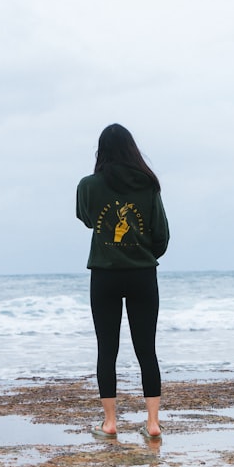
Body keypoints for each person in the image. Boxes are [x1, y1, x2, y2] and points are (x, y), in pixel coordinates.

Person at [75, 123, 170, 440]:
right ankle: (153, 424)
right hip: (143, 275)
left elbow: (88, 219)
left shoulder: (89, 185)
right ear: (132, 149)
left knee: (107, 349)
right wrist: (141, 253)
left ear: (101, 152)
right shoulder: (148, 184)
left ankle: (110, 423)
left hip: (105, 275)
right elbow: (161, 236)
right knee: (147, 350)